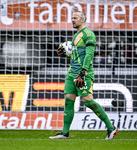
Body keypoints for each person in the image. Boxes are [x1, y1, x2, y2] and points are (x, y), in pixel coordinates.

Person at [49, 11, 118, 140]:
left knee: (88, 101)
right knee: (69, 101)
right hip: (71, 73)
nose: (72, 20)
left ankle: (111, 127)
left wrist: (83, 72)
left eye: (75, 18)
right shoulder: (76, 35)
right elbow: (77, 54)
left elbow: (89, 55)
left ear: (83, 19)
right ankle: (65, 133)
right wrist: (67, 54)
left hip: (83, 74)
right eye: (72, 18)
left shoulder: (88, 34)